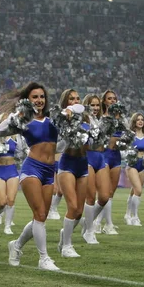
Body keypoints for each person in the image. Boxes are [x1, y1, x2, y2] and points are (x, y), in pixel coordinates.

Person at [0, 82, 61, 271]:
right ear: (27, 100)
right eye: (35, 97)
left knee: (41, 217)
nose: (39, 100)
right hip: (32, 168)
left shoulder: (53, 118)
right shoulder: (24, 120)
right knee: (39, 214)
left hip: (49, 171)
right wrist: (18, 115)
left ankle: (15, 246)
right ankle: (44, 258)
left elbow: (62, 144)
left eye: (42, 96)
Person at [56, 89, 89, 258]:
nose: (75, 101)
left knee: (79, 212)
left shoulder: (86, 118)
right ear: (65, 102)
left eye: (77, 98)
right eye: (71, 99)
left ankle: (64, 236)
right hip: (67, 164)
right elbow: (58, 147)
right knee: (73, 206)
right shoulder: (61, 119)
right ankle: (67, 246)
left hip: (83, 165)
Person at [0, 113, 26, 235]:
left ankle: (8, 226)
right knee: (1, 202)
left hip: (12, 170)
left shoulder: (17, 136)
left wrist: (25, 152)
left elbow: (20, 153)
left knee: (11, 200)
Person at [81, 94, 112, 244]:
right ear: (86, 105)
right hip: (87, 157)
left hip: (101, 157)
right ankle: (89, 230)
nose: (94, 108)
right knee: (90, 197)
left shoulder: (102, 121)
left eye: (97, 105)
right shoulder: (82, 121)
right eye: (92, 105)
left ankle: (86, 221)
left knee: (105, 196)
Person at [95, 90, 122, 235]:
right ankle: (109, 224)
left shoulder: (120, 118)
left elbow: (124, 136)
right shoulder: (100, 117)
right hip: (103, 155)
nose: (112, 100)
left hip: (116, 156)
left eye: (114, 98)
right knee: (103, 192)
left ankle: (98, 222)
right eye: (109, 98)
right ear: (104, 101)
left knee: (110, 192)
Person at [123, 113, 144, 226]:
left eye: (142, 120)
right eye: (138, 120)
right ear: (134, 121)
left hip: (142, 164)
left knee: (134, 191)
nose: (140, 121)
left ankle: (127, 214)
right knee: (138, 190)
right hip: (132, 164)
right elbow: (123, 148)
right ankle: (135, 217)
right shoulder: (130, 135)